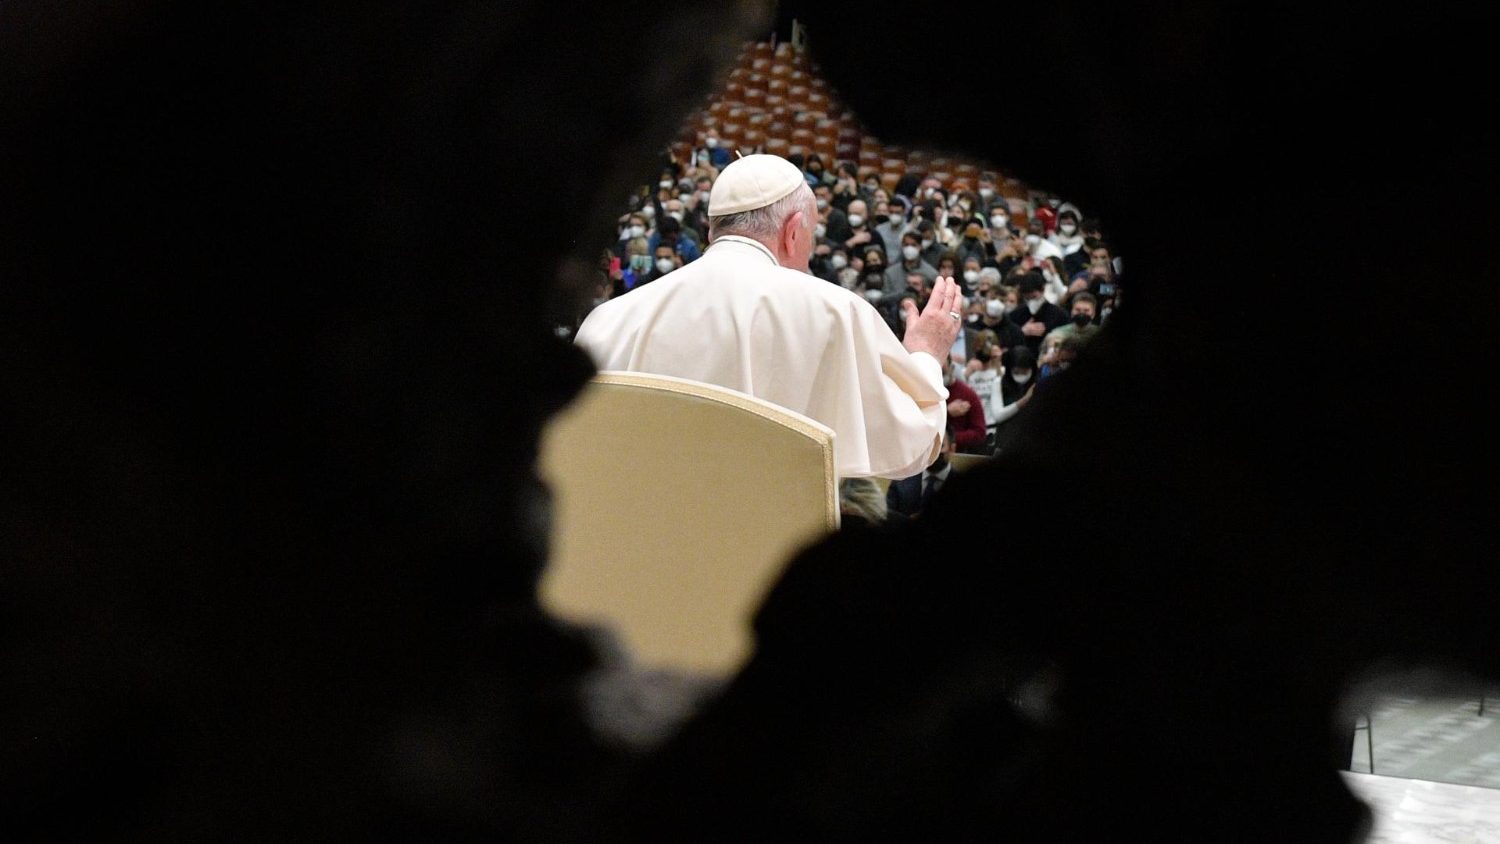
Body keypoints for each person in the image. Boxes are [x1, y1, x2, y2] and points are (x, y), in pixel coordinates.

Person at [576, 154, 965, 480]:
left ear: (714, 231)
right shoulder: (834, 313)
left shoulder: (609, 319)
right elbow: (909, 445)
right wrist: (926, 355)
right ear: (793, 231)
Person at [885, 425, 957, 518]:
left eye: (939, 446)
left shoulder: (966, 487)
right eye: (928, 446)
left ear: (952, 449)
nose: (932, 453)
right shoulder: (900, 482)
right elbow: (887, 519)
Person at [1010, 271, 1069, 351]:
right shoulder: (1016, 314)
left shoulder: (1059, 314)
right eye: (1027, 298)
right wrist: (1022, 332)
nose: (1031, 301)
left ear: (1043, 289)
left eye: (1034, 297)